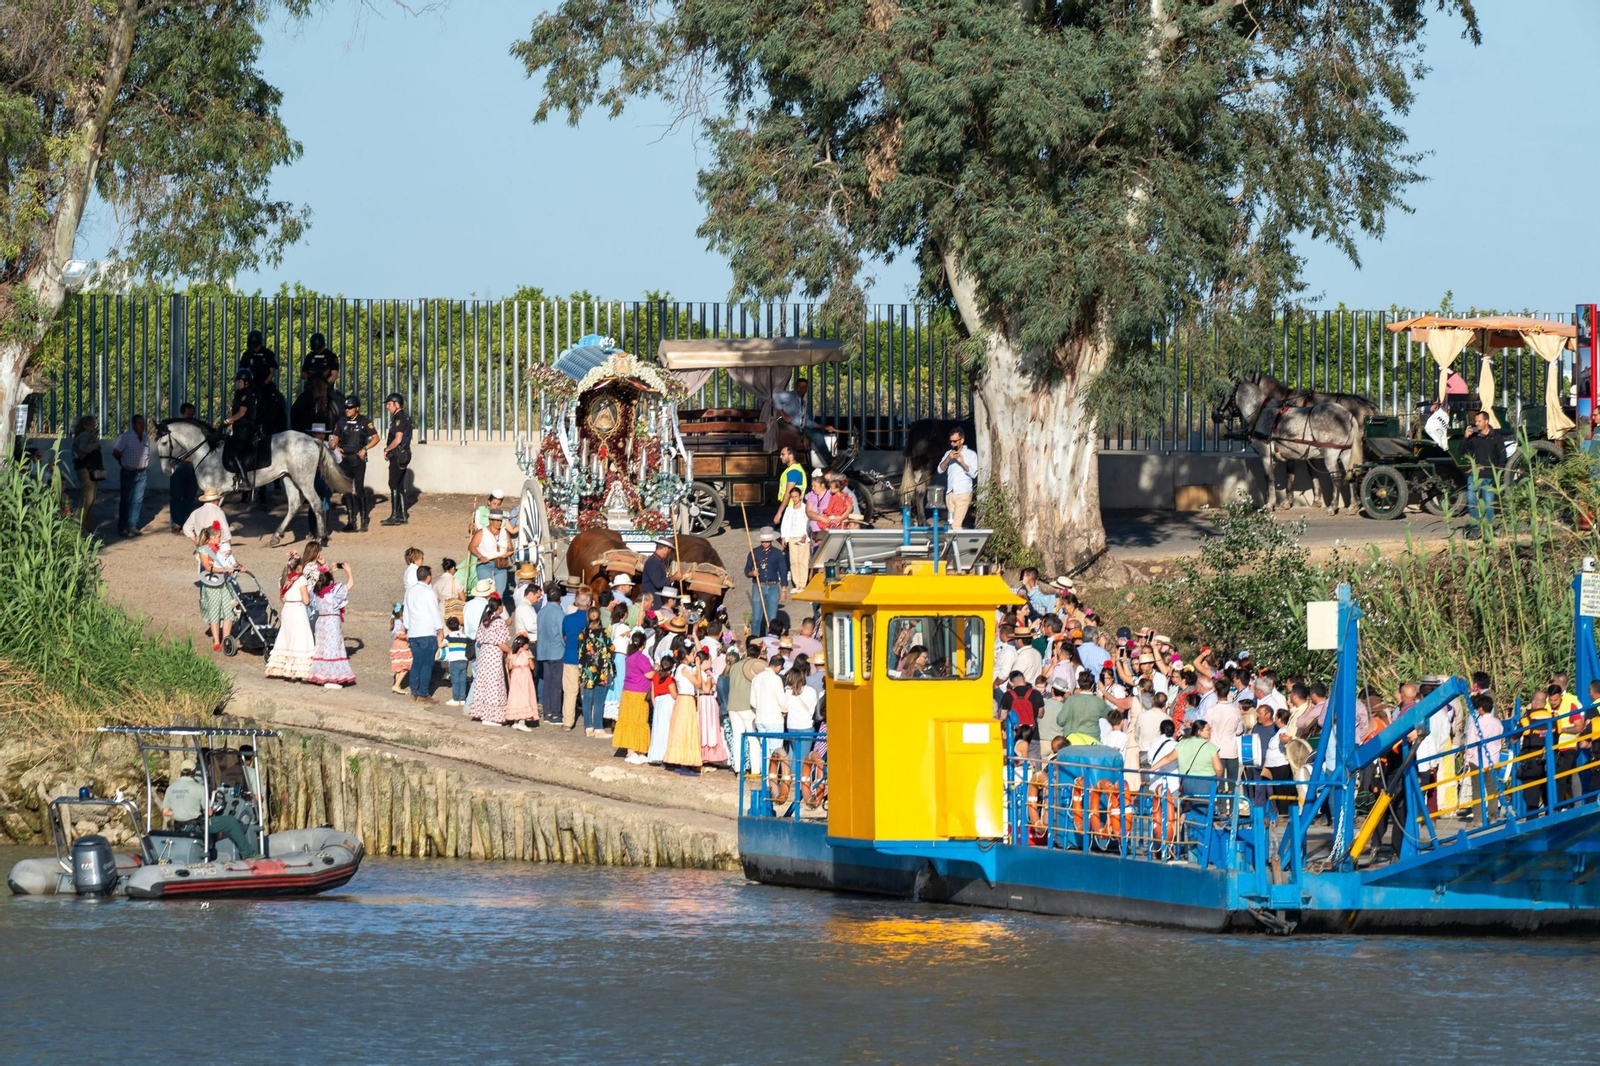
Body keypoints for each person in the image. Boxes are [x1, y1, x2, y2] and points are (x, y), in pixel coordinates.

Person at [265, 550, 315, 681]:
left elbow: (282, 598)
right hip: (298, 609)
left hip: (287, 609)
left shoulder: (282, 579)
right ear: (298, 567)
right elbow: (306, 600)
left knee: (286, 636)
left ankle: (283, 668)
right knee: (300, 638)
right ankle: (298, 670)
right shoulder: (301, 579)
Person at [307, 564, 357, 688]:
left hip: (321, 622)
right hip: (332, 622)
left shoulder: (316, 592)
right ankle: (331, 678)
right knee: (333, 649)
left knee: (323, 649)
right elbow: (349, 585)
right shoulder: (335, 592)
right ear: (331, 581)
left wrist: (328, 571)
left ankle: (321, 675)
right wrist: (349, 571)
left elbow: (325, 581)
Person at [333, 394, 378, 532]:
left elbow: (376, 438)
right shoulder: (341, 421)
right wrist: (334, 445)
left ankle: (364, 519)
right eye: (346, 408)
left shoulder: (365, 421)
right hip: (345, 459)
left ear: (357, 408)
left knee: (359, 489)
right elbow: (335, 438)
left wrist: (365, 449)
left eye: (350, 408)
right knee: (346, 490)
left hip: (358, 459)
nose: (347, 410)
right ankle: (351, 520)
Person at [1461, 408, 1509, 538]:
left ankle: (1488, 529)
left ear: (1486, 421)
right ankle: (1476, 528)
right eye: (1475, 421)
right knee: (1472, 501)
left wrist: (1497, 474)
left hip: (1489, 476)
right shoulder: (1473, 437)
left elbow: (1502, 457)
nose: (1476, 423)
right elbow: (1462, 452)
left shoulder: (1496, 438)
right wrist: (1465, 438)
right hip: (1474, 476)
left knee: (1488, 503)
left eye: (1479, 421)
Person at [403, 564, 446, 703]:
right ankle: (423, 693)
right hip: (427, 631)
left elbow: (406, 612)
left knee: (416, 663)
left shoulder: (409, 591)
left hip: (413, 632)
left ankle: (414, 691)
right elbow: (434, 612)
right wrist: (439, 628)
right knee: (427, 664)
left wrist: (407, 628)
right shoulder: (428, 592)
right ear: (428, 577)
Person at [771, 378, 837, 466]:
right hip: (791, 428)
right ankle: (830, 461)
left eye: (804, 387)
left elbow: (807, 422)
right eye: (799, 387)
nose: (801, 389)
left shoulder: (803, 402)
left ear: (807, 389)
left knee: (819, 432)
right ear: (795, 387)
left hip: (800, 428)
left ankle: (826, 461)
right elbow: (775, 396)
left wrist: (824, 427)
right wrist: (784, 415)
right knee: (818, 436)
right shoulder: (790, 396)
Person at [467, 598, 513, 725]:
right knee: (494, 684)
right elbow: (501, 643)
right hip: (494, 653)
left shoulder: (485, 621)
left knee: (483, 683)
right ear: (499, 607)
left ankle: (482, 713)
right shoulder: (499, 622)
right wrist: (511, 651)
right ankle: (490, 717)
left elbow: (480, 638)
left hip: (484, 653)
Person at [196, 524, 239, 652]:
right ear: (213, 537)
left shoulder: (221, 547)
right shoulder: (203, 550)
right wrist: (224, 569)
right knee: (214, 611)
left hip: (225, 583)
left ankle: (226, 638)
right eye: (219, 536)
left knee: (228, 610)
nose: (220, 539)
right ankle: (216, 641)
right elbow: (208, 567)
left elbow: (230, 559)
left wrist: (237, 566)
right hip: (212, 584)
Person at [614, 632, 655, 763]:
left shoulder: (629, 657)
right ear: (644, 644)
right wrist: (657, 670)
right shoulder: (641, 658)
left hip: (627, 692)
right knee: (638, 721)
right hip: (638, 694)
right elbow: (649, 675)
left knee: (628, 720)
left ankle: (631, 751)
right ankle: (637, 750)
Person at [577, 605, 617, 737]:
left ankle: (588, 727)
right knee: (599, 699)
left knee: (587, 699)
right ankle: (598, 727)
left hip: (587, 669)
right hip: (602, 670)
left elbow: (581, 652)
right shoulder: (604, 633)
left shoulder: (583, 633)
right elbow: (611, 649)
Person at [664, 646, 706, 773]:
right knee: (686, 729)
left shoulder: (681, 668)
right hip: (686, 700)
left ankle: (682, 761)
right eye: (692, 653)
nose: (694, 656)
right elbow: (698, 684)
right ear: (686, 655)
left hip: (684, 699)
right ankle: (683, 762)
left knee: (682, 729)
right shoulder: (685, 669)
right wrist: (698, 667)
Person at [744, 527, 789, 633]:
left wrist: (783, 591)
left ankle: (769, 641)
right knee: (756, 619)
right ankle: (753, 640)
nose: (765, 543)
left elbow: (783, 572)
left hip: (773, 587)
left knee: (771, 619)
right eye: (763, 541)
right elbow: (747, 570)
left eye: (767, 541)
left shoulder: (778, 554)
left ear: (771, 540)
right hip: (758, 586)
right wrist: (752, 573)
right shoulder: (754, 552)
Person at [111, 414, 150, 537]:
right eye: (139, 423)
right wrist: (123, 463)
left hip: (142, 473)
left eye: (143, 423)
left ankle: (132, 525)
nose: (141, 426)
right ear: (133, 424)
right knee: (126, 500)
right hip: (128, 472)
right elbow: (116, 452)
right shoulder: (126, 437)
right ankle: (122, 526)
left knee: (137, 501)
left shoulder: (146, 438)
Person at [1174, 720, 1225, 812]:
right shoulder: (1211, 747)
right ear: (1199, 731)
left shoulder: (1183, 743)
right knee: (1202, 811)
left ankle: (1184, 820)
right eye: (1207, 730)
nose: (1210, 732)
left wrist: (1153, 768)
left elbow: (1169, 758)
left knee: (1188, 807)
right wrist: (1218, 778)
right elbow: (1218, 768)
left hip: (1186, 781)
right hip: (1205, 782)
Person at [536, 580, 567, 725]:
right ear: (559, 598)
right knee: (556, 684)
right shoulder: (559, 613)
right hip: (556, 651)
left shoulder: (541, 612)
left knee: (547, 682)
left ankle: (548, 712)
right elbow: (563, 634)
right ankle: (555, 713)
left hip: (543, 651)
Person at [936, 425, 979, 530]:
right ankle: (953, 545)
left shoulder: (971, 454)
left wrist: (962, 463)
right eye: (951, 441)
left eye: (955, 441)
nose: (952, 444)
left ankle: (958, 546)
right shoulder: (948, 453)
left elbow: (974, 474)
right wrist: (947, 459)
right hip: (950, 494)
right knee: (951, 524)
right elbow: (939, 470)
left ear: (962, 440)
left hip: (963, 493)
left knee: (956, 525)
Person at [168, 402, 200, 532]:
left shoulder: (197, 430)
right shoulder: (175, 431)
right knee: (176, 496)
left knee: (190, 496)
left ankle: (186, 521)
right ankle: (176, 522)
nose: (190, 417)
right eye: (188, 415)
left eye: (192, 415)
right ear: (182, 415)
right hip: (179, 466)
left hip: (193, 467)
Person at [381, 392, 413, 525]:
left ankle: (395, 515)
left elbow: (398, 439)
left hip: (398, 454)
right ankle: (402, 515)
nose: (387, 407)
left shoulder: (399, 418)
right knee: (399, 484)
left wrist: (387, 449)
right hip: (403, 453)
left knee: (393, 483)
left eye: (389, 404)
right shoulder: (403, 417)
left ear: (396, 404)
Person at [70, 415, 104, 535]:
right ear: (85, 426)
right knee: (87, 497)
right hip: (86, 468)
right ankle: (79, 525)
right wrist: (95, 445)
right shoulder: (85, 435)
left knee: (91, 497)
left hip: (88, 467)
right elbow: (83, 449)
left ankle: (86, 525)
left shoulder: (86, 435)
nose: (93, 427)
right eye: (91, 424)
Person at [775, 484, 812, 589]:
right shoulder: (789, 509)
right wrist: (784, 537)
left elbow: (808, 522)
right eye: (792, 497)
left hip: (802, 536)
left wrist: (806, 534)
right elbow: (785, 523)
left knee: (803, 561)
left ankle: (803, 584)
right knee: (794, 561)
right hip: (792, 536)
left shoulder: (805, 508)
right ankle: (797, 584)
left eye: (796, 496)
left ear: (800, 496)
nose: (794, 499)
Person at [699, 650, 732, 766]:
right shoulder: (701, 673)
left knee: (712, 727)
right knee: (705, 727)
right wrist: (709, 680)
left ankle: (710, 756)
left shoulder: (709, 672)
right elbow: (706, 689)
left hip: (711, 701)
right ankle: (703, 754)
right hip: (705, 700)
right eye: (710, 660)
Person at [471, 510, 514, 597]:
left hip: (501, 565)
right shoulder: (481, 532)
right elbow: (471, 547)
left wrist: (509, 553)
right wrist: (480, 556)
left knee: (500, 593)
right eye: (497, 520)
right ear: (491, 521)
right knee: (487, 592)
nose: (499, 523)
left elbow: (511, 548)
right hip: (485, 565)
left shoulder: (504, 533)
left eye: (500, 521)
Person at [505, 634, 539, 732]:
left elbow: (510, 666)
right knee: (525, 696)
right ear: (524, 645)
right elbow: (532, 667)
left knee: (516, 697)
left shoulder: (512, 653)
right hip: (525, 677)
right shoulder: (527, 653)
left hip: (515, 676)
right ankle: (522, 722)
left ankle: (515, 721)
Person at [161, 760, 207, 831]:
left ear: (180, 772)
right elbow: (209, 812)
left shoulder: (170, 788)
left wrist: (179, 812)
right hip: (195, 827)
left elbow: (165, 812)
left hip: (178, 827)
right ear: (194, 773)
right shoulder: (200, 788)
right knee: (230, 823)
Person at [444, 617, 471, 707]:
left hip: (454, 660)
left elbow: (441, 644)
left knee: (455, 680)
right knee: (463, 679)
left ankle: (456, 699)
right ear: (459, 626)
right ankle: (463, 699)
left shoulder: (449, 637)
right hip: (463, 659)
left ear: (448, 627)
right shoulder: (464, 636)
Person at [389, 602, 411, 693]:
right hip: (401, 646)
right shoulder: (399, 623)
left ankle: (397, 684)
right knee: (407, 665)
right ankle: (397, 685)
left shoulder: (395, 621)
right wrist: (408, 636)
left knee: (400, 666)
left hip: (396, 646)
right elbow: (399, 635)